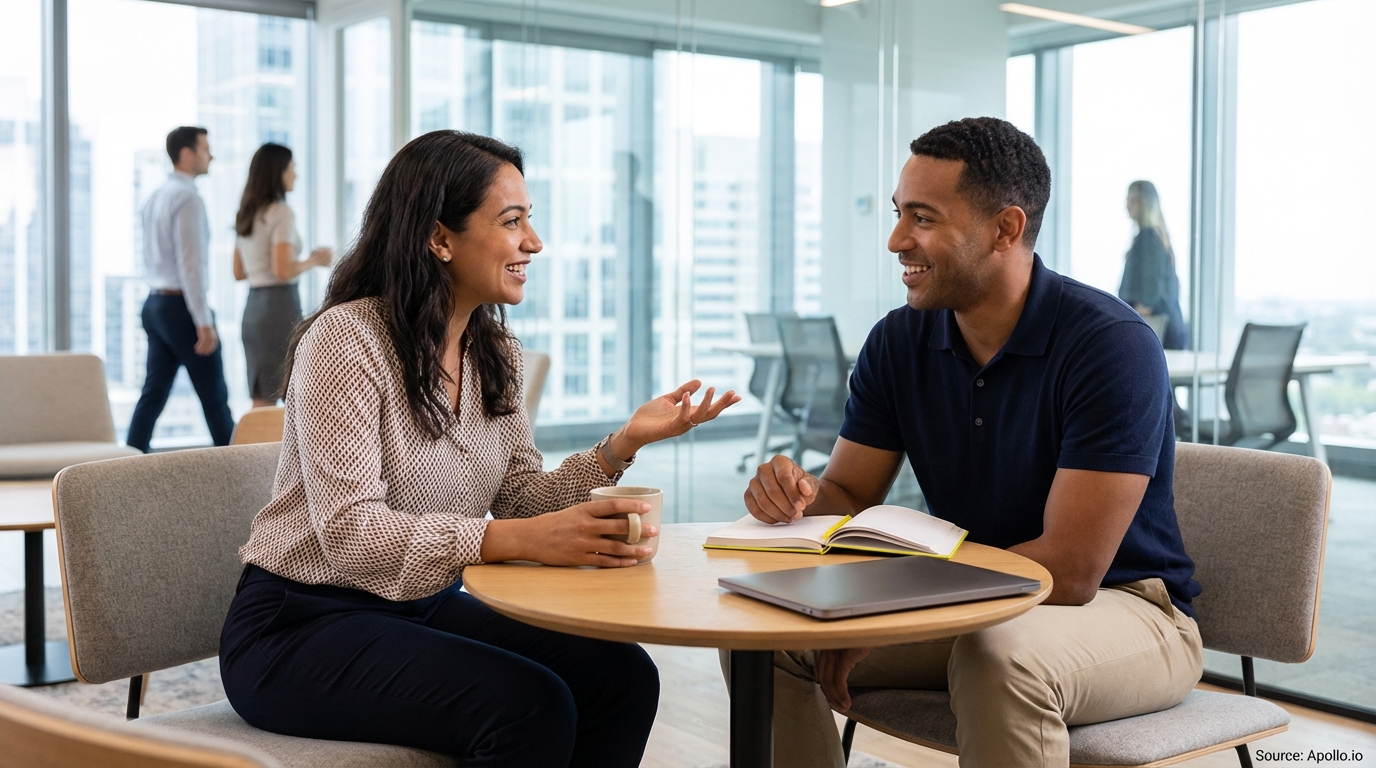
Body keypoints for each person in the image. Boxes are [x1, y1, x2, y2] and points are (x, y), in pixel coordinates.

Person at [220, 130, 741, 767]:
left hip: (416, 605)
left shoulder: (495, 354)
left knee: (621, 677)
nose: (534, 243)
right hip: (298, 622)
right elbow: (350, 534)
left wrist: (620, 446)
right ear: (440, 238)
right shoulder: (345, 342)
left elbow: (521, 498)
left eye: (531, 220)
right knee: (527, 705)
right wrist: (512, 542)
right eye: (512, 221)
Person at [741, 118, 1201, 767]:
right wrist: (794, 495)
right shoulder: (900, 341)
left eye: (922, 219)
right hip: (977, 597)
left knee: (998, 654)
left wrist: (894, 610)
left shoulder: (1110, 346)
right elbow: (846, 492)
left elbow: (1069, 570)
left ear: (1005, 229)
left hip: (1127, 610)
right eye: (901, 214)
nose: (897, 239)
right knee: (763, 640)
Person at [126, 126, 235, 453]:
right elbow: (191, 265)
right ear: (187, 154)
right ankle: (238, 472)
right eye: (205, 149)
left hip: (156, 305)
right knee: (214, 395)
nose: (211, 155)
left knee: (153, 392)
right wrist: (204, 321)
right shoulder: (188, 198)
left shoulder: (155, 196)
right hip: (181, 309)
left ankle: (127, 463)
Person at [232, 143, 333, 406]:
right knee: (290, 394)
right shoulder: (281, 213)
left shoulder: (247, 213)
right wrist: (314, 260)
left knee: (261, 399)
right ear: (278, 172)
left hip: (253, 309)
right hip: (278, 306)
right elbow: (283, 270)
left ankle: (250, 449)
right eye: (292, 168)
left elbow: (238, 272)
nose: (295, 175)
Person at [1118, 180, 1188, 349]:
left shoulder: (1149, 239)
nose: (1126, 205)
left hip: (1158, 337)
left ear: (1144, 204)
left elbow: (1148, 301)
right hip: (1168, 335)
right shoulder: (1157, 238)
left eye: (1132, 200)